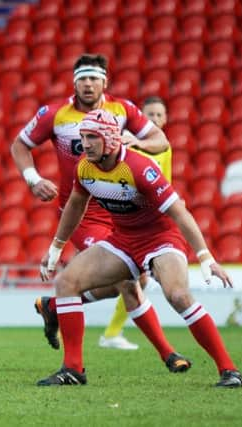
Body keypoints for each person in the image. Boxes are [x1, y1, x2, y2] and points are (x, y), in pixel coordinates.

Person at [36, 110, 242, 388]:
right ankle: (73, 370)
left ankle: (230, 371)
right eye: (82, 137)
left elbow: (180, 213)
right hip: (123, 239)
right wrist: (56, 247)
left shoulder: (139, 168)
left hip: (160, 238)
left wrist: (206, 257)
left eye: (91, 138)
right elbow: (76, 205)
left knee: (179, 295)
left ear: (110, 140)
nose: (84, 144)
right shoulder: (85, 167)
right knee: (66, 283)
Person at [11, 54, 190, 371]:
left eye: (94, 78)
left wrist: (139, 142)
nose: (88, 84)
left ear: (104, 81)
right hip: (83, 213)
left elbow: (160, 139)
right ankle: (167, 354)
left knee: (137, 281)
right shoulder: (55, 114)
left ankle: (55, 306)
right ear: (74, 82)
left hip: (121, 211)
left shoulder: (122, 110)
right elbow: (19, 145)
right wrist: (33, 178)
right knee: (128, 283)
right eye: (82, 78)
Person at [96, 95, 172, 348]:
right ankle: (65, 315)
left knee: (136, 280)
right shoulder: (124, 147)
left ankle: (110, 333)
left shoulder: (165, 147)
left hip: (146, 221)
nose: (155, 119)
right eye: (150, 115)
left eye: (160, 115)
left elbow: (164, 183)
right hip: (118, 219)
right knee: (125, 279)